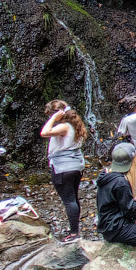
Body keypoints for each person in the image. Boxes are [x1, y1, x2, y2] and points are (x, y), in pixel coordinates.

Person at [40, 101, 88, 239]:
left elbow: (44, 132)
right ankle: (75, 230)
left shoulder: (64, 126)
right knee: (73, 198)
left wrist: (53, 119)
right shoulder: (75, 124)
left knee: (69, 200)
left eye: (50, 115)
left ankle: (74, 233)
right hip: (76, 166)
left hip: (63, 167)